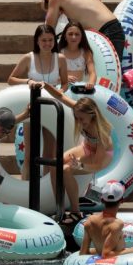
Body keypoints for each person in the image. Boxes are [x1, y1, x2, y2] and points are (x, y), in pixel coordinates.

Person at [44, 83, 113, 225]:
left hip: (101, 157)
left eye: (81, 119)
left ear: (92, 115)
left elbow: (97, 165)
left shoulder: (102, 135)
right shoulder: (80, 109)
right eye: (76, 118)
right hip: (87, 147)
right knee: (54, 164)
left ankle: (76, 212)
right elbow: (60, 96)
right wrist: (44, 85)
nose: (79, 122)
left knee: (66, 169)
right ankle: (60, 209)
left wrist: (80, 165)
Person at [8, 24, 68, 180]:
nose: (47, 43)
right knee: (29, 153)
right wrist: (28, 81)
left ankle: (47, 191)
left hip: (51, 107)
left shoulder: (60, 59)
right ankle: (26, 188)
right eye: (44, 40)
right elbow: (11, 79)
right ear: (37, 41)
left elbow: (65, 83)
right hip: (32, 107)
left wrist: (60, 91)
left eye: (50, 40)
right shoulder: (28, 58)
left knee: (49, 153)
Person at [40, 0, 125, 63]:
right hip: (115, 28)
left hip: (106, 32)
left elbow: (48, 29)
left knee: (110, 74)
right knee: (114, 73)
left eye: (48, 1)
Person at [58, 21, 97, 90]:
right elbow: (50, 75)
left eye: (77, 34)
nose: (73, 37)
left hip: (78, 90)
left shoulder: (86, 53)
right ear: (65, 36)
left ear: (81, 36)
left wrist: (91, 83)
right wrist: (64, 78)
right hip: (60, 88)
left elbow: (92, 73)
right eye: (70, 34)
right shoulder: (58, 53)